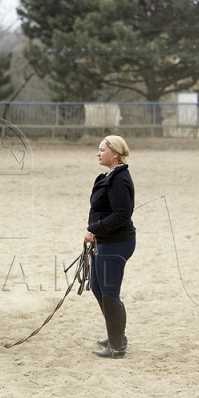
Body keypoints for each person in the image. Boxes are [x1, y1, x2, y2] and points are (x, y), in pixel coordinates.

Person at [83, 135, 136, 358]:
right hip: (105, 241)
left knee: (109, 293)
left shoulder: (118, 179)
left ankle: (116, 346)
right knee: (97, 287)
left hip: (116, 243)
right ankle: (116, 334)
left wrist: (95, 228)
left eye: (102, 150)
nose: (98, 153)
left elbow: (122, 214)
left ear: (114, 154)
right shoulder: (109, 176)